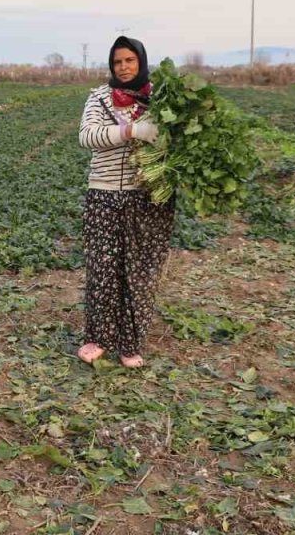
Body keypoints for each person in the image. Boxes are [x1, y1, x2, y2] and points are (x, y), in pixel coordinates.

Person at [76, 36, 172, 368]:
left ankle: (130, 343)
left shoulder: (160, 98)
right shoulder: (101, 97)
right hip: (103, 194)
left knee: (141, 271)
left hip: (148, 197)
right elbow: (87, 136)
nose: (124, 67)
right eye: (118, 62)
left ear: (141, 62)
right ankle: (97, 337)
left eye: (130, 61)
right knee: (103, 268)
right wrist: (131, 131)